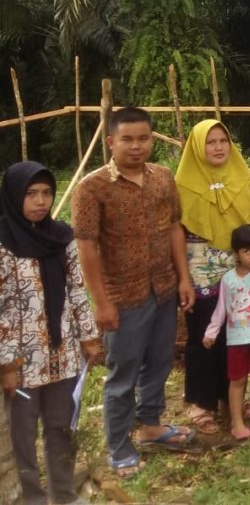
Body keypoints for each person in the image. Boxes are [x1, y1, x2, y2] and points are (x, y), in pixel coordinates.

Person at [72, 106, 196, 478]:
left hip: (163, 287)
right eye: (127, 139)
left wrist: (183, 278)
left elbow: (174, 228)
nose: (136, 146)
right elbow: (87, 247)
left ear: (152, 140)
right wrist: (101, 302)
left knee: (159, 361)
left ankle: (151, 426)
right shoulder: (92, 188)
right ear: (111, 142)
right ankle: (119, 446)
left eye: (143, 138)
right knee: (122, 373)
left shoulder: (162, 178)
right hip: (122, 295)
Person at [1, 162, 98, 505]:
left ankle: (64, 495)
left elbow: (76, 290)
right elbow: (3, 308)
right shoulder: (4, 245)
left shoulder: (61, 237)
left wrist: (88, 336)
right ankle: (32, 499)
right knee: (22, 439)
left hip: (64, 354)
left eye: (46, 193)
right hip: (22, 363)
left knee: (61, 429)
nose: (41, 201)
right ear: (14, 197)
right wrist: (8, 364)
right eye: (31, 194)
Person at [175, 119, 250, 435]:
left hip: (239, 265)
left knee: (237, 330)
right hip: (200, 267)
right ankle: (201, 403)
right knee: (203, 331)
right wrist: (182, 277)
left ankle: (232, 398)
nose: (218, 147)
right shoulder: (182, 185)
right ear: (197, 147)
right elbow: (175, 231)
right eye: (210, 142)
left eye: (222, 141)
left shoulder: (240, 176)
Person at [202, 225, 250, 440]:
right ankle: (236, 422)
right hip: (236, 340)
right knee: (237, 380)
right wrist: (211, 332)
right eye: (247, 251)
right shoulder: (228, 279)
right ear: (236, 254)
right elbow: (221, 310)